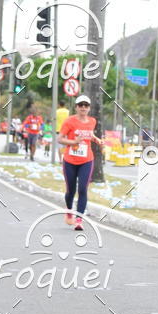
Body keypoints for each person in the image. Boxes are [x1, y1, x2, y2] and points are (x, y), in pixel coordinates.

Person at [57, 94, 102, 231]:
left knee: (82, 189)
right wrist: (73, 142)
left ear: (89, 108)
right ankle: (69, 210)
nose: (83, 107)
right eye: (80, 105)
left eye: (86, 105)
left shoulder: (92, 121)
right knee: (70, 190)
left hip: (86, 160)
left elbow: (89, 134)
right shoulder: (69, 121)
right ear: (76, 107)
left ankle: (79, 220)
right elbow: (60, 139)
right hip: (70, 160)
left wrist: (96, 139)